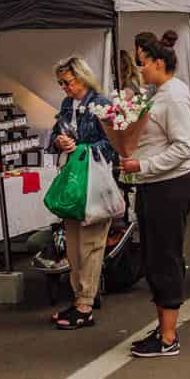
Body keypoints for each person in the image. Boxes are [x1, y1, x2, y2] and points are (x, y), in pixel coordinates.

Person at [119, 35, 190, 358]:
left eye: (142, 61)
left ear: (158, 63)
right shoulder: (159, 94)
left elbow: (184, 148)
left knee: (164, 256)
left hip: (170, 184)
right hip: (154, 183)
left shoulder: (175, 96)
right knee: (154, 255)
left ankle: (168, 336)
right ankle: (164, 326)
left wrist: (144, 163)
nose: (140, 68)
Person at [48, 57, 114, 330]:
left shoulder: (102, 104)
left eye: (67, 82)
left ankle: (85, 303)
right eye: (60, 82)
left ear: (82, 78)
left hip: (94, 180)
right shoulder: (66, 105)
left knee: (90, 244)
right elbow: (55, 133)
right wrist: (59, 140)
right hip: (74, 180)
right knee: (73, 244)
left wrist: (80, 148)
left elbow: (112, 144)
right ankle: (81, 297)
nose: (64, 87)